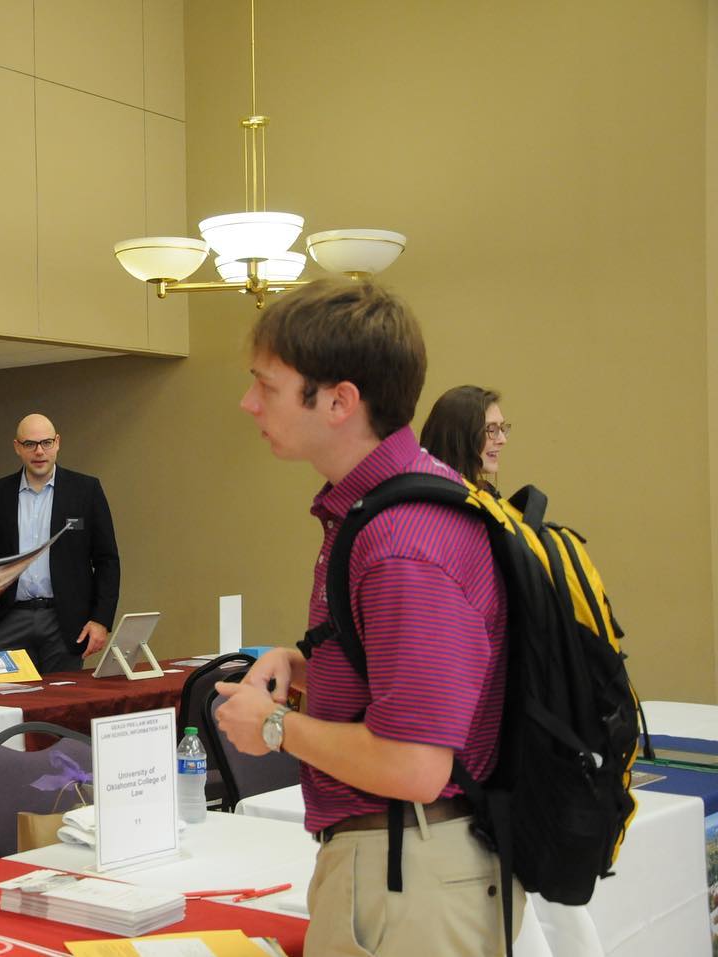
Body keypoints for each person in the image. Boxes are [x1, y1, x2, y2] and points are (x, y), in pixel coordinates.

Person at [213, 279, 521, 956]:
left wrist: (273, 726)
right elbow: (396, 672)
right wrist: (298, 665)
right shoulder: (390, 506)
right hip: (408, 861)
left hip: (408, 870)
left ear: (338, 401)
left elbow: (415, 764)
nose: (249, 402)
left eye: (266, 385)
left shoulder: (403, 542)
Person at [0, 413, 119, 674]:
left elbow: (107, 561)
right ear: (17, 447)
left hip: (65, 622)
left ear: (57, 443)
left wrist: (101, 620)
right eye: (30, 444)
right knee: (8, 696)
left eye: (46, 443)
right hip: (8, 619)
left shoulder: (86, 490)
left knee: (62, 696)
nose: (39, 451)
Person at [419, 384, 510, 492]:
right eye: (491, 429)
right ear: (457, 436)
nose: (503, 440)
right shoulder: (434, 496)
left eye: (502, 428)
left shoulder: (482, 493)